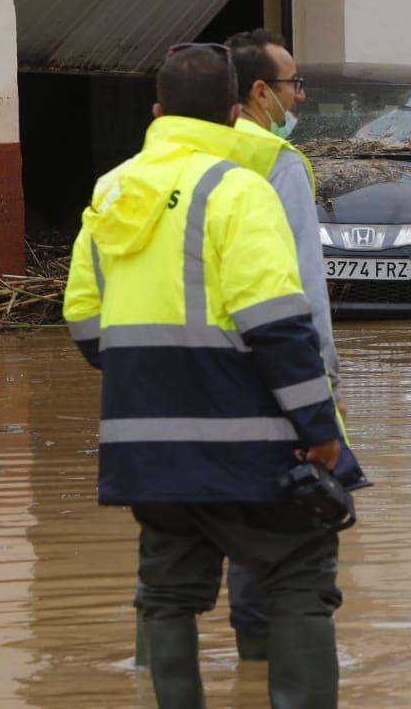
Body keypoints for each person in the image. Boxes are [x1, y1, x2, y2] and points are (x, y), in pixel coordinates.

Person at [64, 42, 360, 709]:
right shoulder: (238, 190)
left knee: (166, 597)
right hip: (247, 444)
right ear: (234, 112)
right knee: (300, 579)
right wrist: (319, 428)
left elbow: (82, 315)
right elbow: (280, 324)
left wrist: (143, 378)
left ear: (158, 111)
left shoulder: (111, 190)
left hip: (147, 449)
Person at [221, 28, 339, 662]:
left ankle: (238, 660)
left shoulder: (170, 162)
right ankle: (277, 663)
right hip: (273, 374)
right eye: (293, 84)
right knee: (289, 521)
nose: (300, 96)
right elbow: (304, 290)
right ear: (261, 92)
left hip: (190, 375)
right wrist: (325, 382)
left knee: (175, 566)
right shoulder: (277, 163)